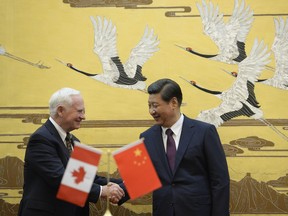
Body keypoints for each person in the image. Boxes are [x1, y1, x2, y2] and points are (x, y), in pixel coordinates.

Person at [18, 87, 128, 216]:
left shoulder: (74, 141)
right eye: (80, 111)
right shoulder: (41, 139)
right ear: (60, 111)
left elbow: (88, 178)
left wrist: (123, 184)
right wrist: (101, 191)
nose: (83, 117)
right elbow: (60, 178)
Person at [140, 78, 230, 216]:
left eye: (155, 105)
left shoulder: (204, 132)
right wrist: (106, 188)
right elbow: (141, 178)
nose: (151, 111)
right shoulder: (147, 137)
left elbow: (220, 180)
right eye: (149, 106)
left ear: (174, 103)